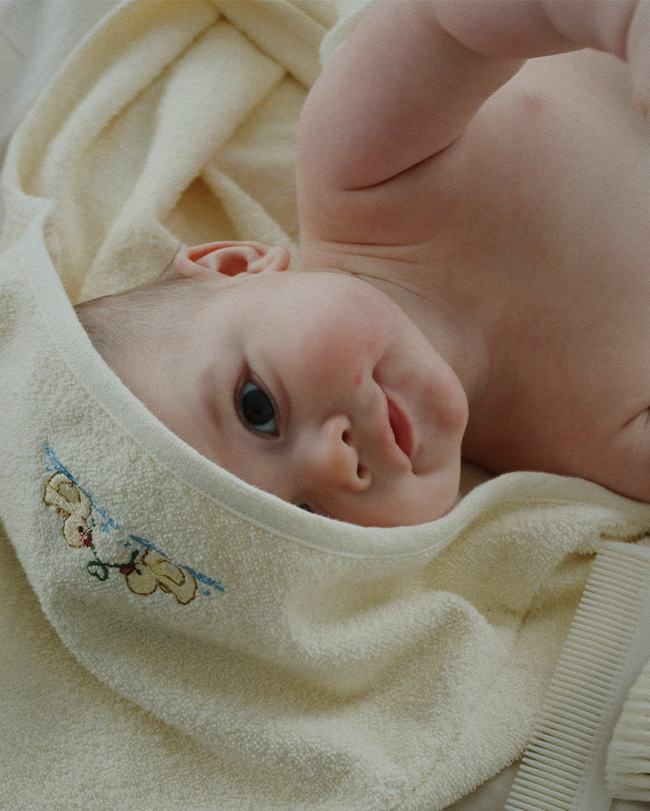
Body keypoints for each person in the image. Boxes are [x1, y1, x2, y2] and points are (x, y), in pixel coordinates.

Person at [75, 0, 650, 528]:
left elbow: (455, 18)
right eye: (310, 518)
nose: (333, 463)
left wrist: (627, 20)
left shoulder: (362, 172)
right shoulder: (583, 451)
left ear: (233, 265)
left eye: (258, 409)